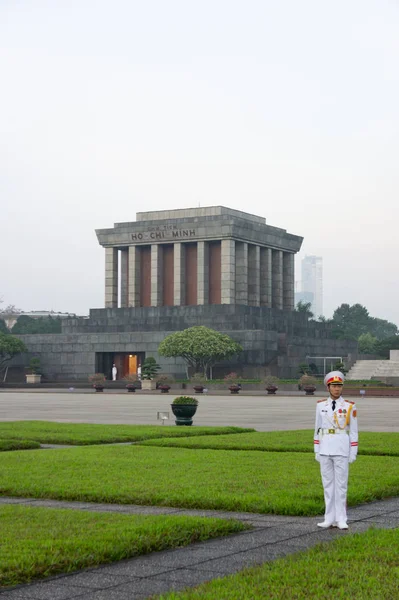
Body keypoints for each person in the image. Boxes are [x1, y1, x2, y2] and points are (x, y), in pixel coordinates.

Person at [314, 370, 358, 530]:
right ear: (328, 387)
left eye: (339, 386)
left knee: (341, 486)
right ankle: (329, 518)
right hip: (325, 448)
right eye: (333, 386)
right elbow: (317, 429)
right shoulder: (320, 406)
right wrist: (316, 449)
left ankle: (341, 518)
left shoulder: (349, 406)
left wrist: (353, 451)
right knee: (327, 485)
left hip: (341, 448)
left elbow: (353, 431)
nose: (336, 389)